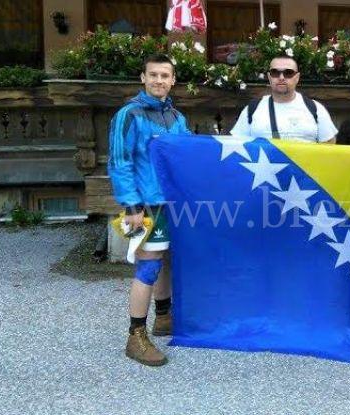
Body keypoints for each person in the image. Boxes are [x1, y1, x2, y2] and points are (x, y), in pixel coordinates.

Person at [108, 53, 191, 366]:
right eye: (153, 75)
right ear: (143, 78)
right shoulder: (128, 115)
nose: (159, 80)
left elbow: (188, 155)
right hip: (144, 206)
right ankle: (135, 337)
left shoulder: (177, 117)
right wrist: (131, 206)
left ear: (173, 80)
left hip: (173, 204)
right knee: (148, 266)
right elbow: (119, 162)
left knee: (167, 259)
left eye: (164, 75)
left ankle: (164, 317)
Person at [230, 55, 337, 143]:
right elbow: (236, 146)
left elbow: (329, 149)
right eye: (275, 73)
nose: (281, 77)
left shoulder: (315, 108)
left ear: (297, 77)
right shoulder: (252, 109)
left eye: (288, 73)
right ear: (269, 77)